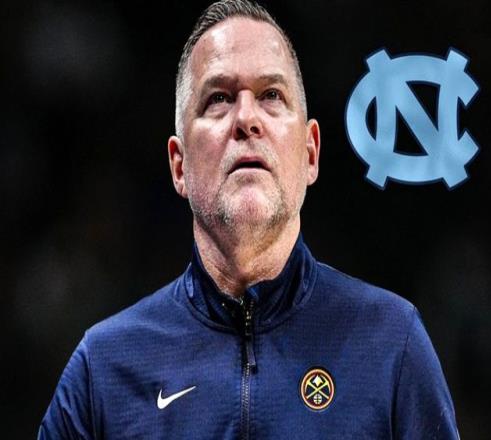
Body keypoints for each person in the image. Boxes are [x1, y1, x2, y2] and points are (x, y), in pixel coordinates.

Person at [39, 1, 459, 438]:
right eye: (218, 99)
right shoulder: (103, 369)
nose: (245, 119)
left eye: (271, 96)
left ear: (310, 153)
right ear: (179, 166)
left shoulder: (391, 343)